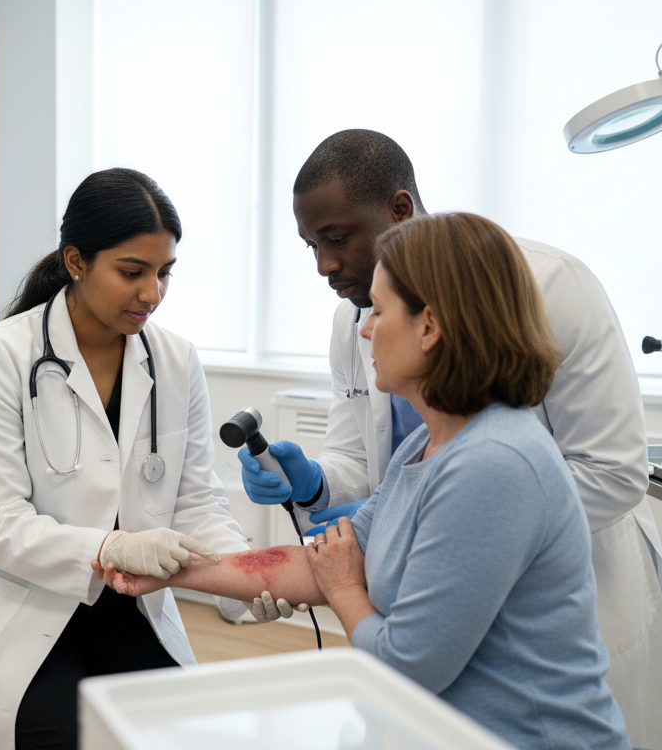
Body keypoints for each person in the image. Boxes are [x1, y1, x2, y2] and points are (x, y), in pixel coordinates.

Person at [99, 212, 631, 750]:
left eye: (379, 309)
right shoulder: (422, 447)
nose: (366, 327)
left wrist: (347, 588)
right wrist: (170, 572)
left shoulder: (493, 464)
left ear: (430, 325)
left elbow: (402, 666)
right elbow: (320, 561)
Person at [239, 130, 662, 750]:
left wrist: (444, 528)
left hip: (564, 594)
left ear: (398, 210)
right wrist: (313, 481)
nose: (324, 266)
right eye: (311, 246)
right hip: (424, 594)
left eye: (336, 239)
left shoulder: (550, 286)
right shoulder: (358, 320)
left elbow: (611, 472)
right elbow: (367, 459)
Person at [0, 168, 251, 750]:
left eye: (164, 272)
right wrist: (108, 547)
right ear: (76, 261)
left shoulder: (175, 361)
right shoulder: (3, 356)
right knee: (63, 737)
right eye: (132, 272)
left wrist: (245, 577)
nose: (153, 293)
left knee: (180, 731)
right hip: (20, 603)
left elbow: (196, 498)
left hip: (125, 605)